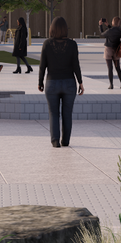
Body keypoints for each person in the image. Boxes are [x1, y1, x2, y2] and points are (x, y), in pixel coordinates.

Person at [36, 17, 85, 148]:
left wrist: (40, 82)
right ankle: (66, 141)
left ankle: (55, 140)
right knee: (67, 113)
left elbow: (42, 66)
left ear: (52, 29)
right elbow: (76, 65)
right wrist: (80, 82)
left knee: (53, 113)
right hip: (69, 83)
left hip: (52, 82)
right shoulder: (72, 44)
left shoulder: (47, 44)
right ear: (65, 29)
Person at [101, 16, 121, 89]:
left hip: (108, 50)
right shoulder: (120, 31)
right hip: (116, 50)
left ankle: (111, 85)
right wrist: (108, 25)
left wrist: (100, 25)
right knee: (118, 67)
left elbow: (102, 33)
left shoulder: (109, 31)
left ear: (112, 22)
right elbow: (114, 30)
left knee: (110, 68)